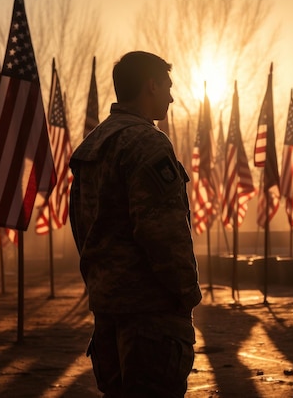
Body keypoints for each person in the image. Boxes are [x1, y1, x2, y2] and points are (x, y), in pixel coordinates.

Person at [69, 51, 202, 398]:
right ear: (151, 85)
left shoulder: (91, 146)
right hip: (150, 317)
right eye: (168, 87)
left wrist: (102, 285)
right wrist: (187, 294)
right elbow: (164, 232)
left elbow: (81, 227)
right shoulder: (146, 142)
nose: (172, 97)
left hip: (108, 310)